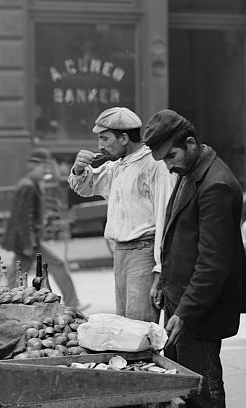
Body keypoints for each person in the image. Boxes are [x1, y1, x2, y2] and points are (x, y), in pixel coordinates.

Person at [143, 109, 246, 408]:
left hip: (201, 308)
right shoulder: (191, 173)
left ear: (190, 143)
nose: (169, 167)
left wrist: (185, 311)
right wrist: (163, 281)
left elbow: (213, 263)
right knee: (182, 382)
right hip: (181, 299)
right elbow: (179, 237)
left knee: (203, 385)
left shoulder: (216, 184)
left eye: (171, 156)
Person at [68, 107, 176, 323]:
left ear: (124, 138)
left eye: (105, 138)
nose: (100, 146)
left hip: (144, 252)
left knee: (140, 327)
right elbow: (86, 187)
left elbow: (167, 219)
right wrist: (79, 168)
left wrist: (160, 269)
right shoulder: (118, 166)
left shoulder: (155, 166)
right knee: (125, 326)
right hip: (121, 253)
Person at [2, 148, 82, 309]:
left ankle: (3, 301)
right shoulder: (28, 186)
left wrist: (43, 220)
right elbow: (23, 218)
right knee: (54, 265)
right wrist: (28, 243)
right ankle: (73, 304)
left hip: (29, 239)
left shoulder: (33, 184)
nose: (46, 170)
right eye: (43, 167)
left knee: (16, 273)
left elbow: (30, 215)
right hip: (28, 240)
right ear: (33, 166)